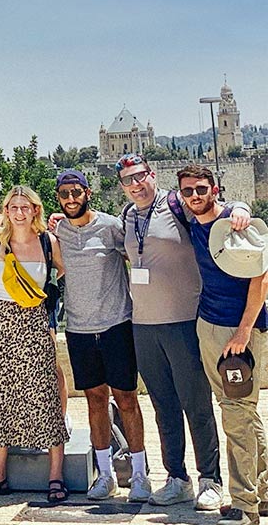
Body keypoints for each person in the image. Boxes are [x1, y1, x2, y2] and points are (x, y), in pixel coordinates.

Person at [116, 153, 226, 509]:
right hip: (144, 326)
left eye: (141, 176)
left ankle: (210, 479)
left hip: (183, 322)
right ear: (122, 186)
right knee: (163, 406)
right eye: (128, 180)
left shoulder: (178, 204)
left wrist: (238, 207)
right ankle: (177, 477)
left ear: (152, 175)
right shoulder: (128, 216)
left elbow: (217, 209)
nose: (136, 184)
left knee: (196, 404)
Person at [49, 170, 150, 502]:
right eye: (64, 194)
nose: (70, 199)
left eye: (76, 192)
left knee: (127, 399)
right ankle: (104, 475)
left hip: (116, 325)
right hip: (78, 329)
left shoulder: (109, 226)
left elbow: (138, 255)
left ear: (87, 193)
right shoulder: (58, 230)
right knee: (94, 400)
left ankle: (138, 475)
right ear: (59, 198)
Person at [175, 164, 265, 525]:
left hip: (239, 331)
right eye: (187, 191)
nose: (194, 196)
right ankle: (264, 491)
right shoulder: (191, 221)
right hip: (208, 325)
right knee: (241, 411)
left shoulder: (233, 221)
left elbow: (261, 277)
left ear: (214, 188)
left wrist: (243, 331)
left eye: (200, 189)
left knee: (235, 415)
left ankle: (245, 506)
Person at [0, 186, 69, 503]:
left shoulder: (48, 242)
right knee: (0, 396)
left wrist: (55, 312)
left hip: (36, 322)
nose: (18, 212)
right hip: (1, 323)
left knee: (45, 396)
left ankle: (56, 476)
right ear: (7, 211)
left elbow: (64, 274)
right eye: (13, 207)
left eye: (24, 207)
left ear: (35, 210)